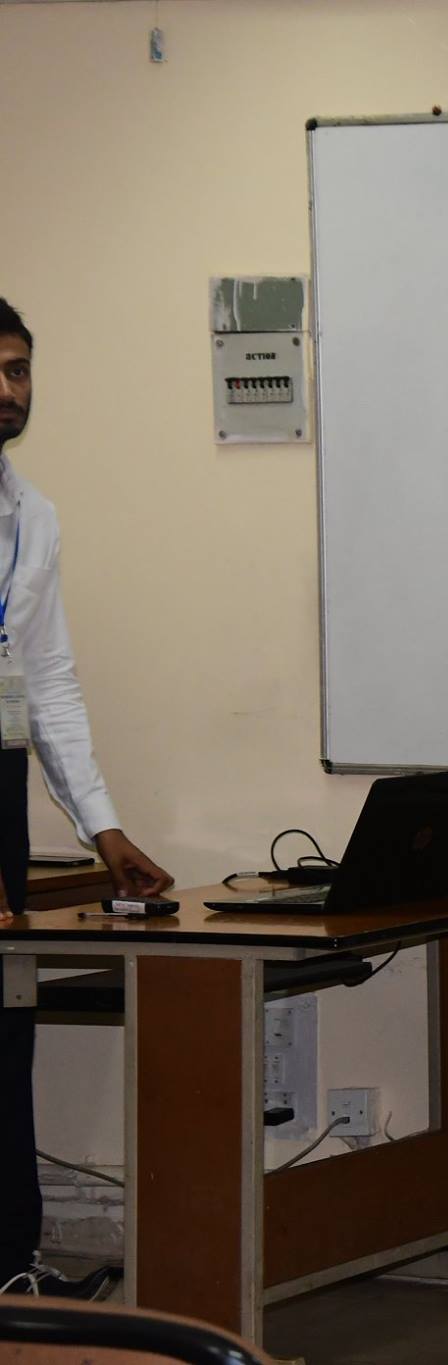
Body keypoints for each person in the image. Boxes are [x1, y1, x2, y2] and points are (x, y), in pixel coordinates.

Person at [0, 297, 172, 1298]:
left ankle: (11, 1269)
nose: (9, 389)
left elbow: (48, 682)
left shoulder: (34, 516)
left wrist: (104, 828)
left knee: (6, 1022)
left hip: (0, 779)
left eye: (19, 369)